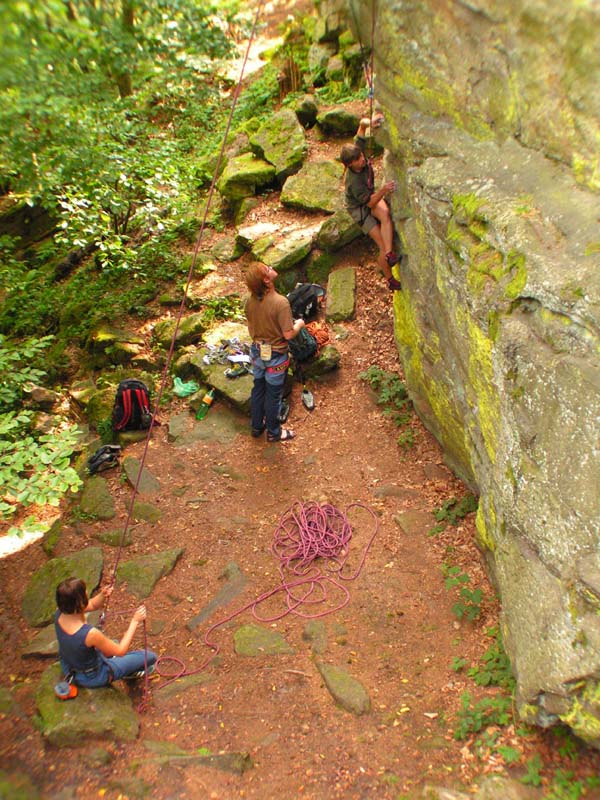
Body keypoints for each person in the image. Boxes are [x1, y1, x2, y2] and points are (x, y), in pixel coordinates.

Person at [54, 577, 157, 687]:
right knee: (149, 657)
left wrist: (102, 595)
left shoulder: (61, 612)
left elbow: (92, 605)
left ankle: (119, 664)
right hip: (94, 676)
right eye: (85, 593)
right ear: (79, 602)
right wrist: (135, 621)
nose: (87, 593)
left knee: (113, 644)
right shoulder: (90, 634)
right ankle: (129, 672)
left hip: (69, 666)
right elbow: (121, 651)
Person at [340, 113, 402, 291]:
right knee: (381, 242)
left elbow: (362, 124)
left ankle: (390, 254)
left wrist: (371, 122)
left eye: (361, 156)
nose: (363, 160)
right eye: (359, 160)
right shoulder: (354, 182)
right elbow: (370, 204)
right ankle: (389, 278)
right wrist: (384, 190)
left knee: (385, 215)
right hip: (360, 210)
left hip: (369, 197)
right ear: (351, 164)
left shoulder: (356, 150)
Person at [244, 261, 305, 442]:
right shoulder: (280, 303)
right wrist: (299, 324)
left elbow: (250, 327)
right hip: (276, 356)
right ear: (266, 280)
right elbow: (288, 334)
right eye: (268, 269)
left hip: (257, 352)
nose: (271, 268)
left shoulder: (250, 301)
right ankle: (274, 432)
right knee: (273, 395)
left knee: (258, 389)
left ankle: (256, 427)